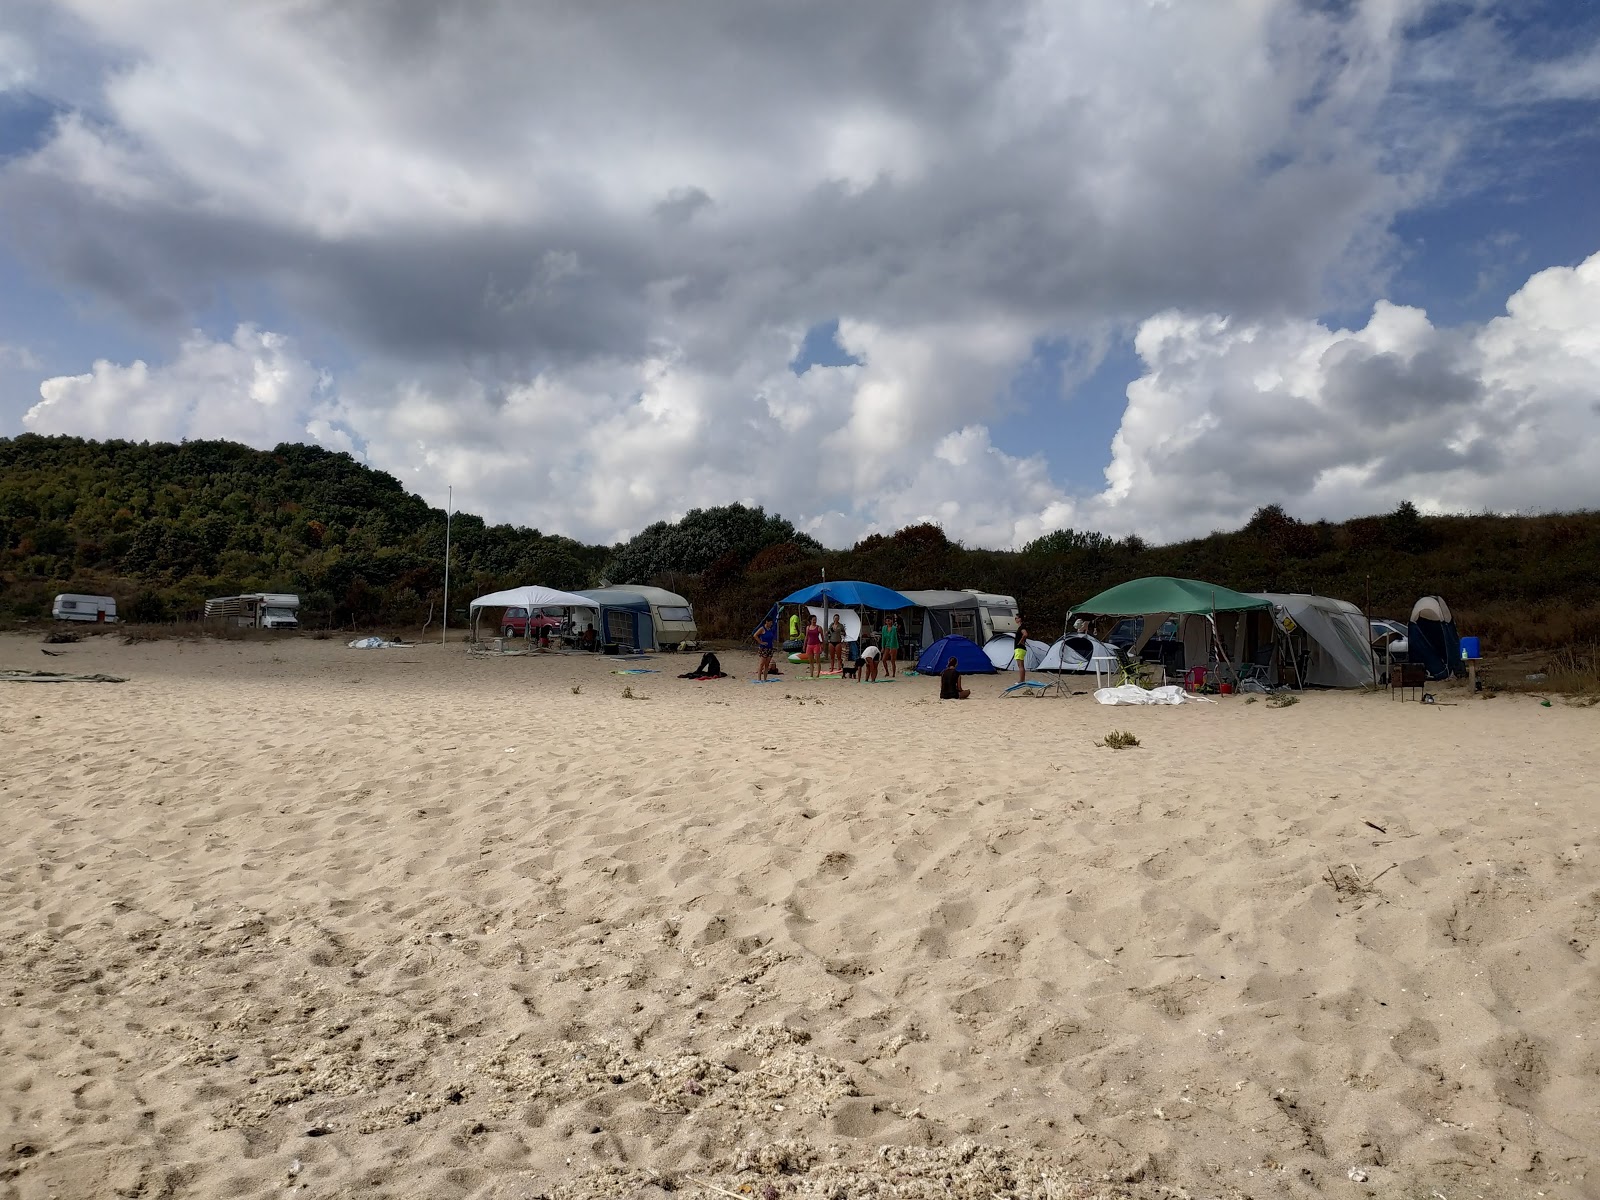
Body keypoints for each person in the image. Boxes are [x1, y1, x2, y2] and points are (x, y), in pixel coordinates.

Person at [753, 616, 778, 681]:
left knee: (767, 664)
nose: (771, 624)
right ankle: (759, 679)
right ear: (767, 622)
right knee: (762, 663)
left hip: (770, 648)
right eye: (770, 623)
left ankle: (765, 678)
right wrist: (761, 642)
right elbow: (755, 635)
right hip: (764, 648)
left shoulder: (771, 629)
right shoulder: (762, 628)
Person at [803, 614, 824, 678]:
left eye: (815, 620)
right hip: (809, 645)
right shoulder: (808, 627)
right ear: (810, 620)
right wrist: (804, 645)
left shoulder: (819, 627)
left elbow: (822, 636)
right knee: (810, 661)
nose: (815, 621)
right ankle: (811, 674)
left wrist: (822, 644)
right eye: (813, 620)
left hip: (816, 644)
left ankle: (818, 674)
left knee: (817, 660)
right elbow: (806, 637)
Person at [1014, 617, 1029, 684]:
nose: (1016, 619)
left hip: (1019, 648)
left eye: (1017, 618)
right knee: (1020, 665)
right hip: (1019, 648)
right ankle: (1022, 680)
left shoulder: (1021, 627)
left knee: (1020, 665)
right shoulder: (1020, 627)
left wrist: (1020, 642)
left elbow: (1025, 634)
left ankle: (1021, 681)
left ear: (1020, 619)